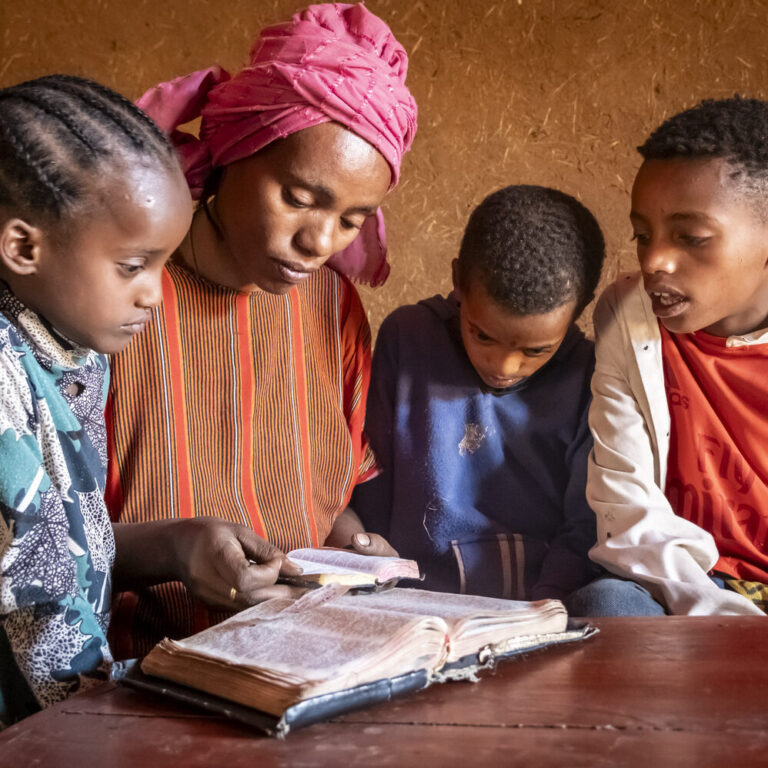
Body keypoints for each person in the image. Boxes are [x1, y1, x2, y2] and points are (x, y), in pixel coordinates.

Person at [106, 2, 417, 658]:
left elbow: (327, 501)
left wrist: (355, 551)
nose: (318, 241)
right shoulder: (117, 295)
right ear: (229, 153)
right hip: (131, 661)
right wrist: (174, 548)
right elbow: (40, 541)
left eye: (353, 220)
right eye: (298, 199)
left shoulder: (335, 309)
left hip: (301, 652)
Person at [0, 75, 296, 728]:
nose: (155, 295)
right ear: (23, 246)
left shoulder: (73, 349)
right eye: (133, 266)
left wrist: (179, 543)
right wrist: (151, 704)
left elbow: (64, 540)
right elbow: (35, 600)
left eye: (162, 264)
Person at [353, 185, 605, 601]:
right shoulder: (410, 340)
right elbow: (373, 483)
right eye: (482, 335)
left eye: (536, 350)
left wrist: (542, 612)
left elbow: (586, 525)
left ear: (579, 310)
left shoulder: (589, 377)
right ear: (457, 281)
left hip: (540, 604)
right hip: (410, 601)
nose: (504, 367)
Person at [571, 97, 768, 616]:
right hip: (692, 584)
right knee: (608, 605)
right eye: (642, 234)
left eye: (691, 237)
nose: (654, 259)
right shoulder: (627, 314)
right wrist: (725, 622)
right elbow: (627, 514)